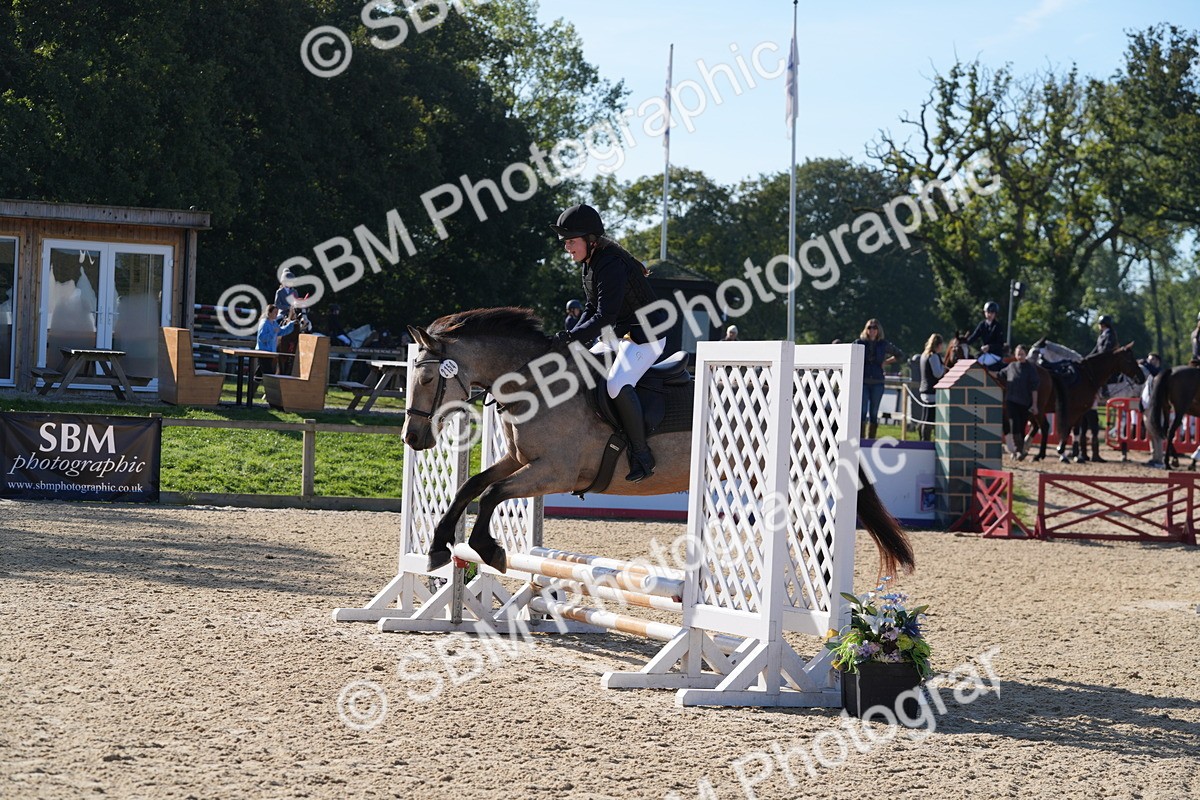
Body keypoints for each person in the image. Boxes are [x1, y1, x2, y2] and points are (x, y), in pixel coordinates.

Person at [551, 203, 668, 483]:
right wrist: (571, 339)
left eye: (571, 241)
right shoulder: (590, 264)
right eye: (565, 241)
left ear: (590, 240)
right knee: (583, 368)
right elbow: (592, 309)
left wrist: (573, 337)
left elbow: (605, 316)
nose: (567, 247)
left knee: (616, 384)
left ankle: (642, 455)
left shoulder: (610, 263)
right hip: (620, 334)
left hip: (647, 335)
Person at [854, 318, 903, 440]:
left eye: (875, 327)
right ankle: (860, 439)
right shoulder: (859, 343)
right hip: (863, 381)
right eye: (869, 327)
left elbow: (900, 355)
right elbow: (850, 354)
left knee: (874, 413)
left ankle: (871, 439)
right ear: (866, 329)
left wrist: (886, 362)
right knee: (862, 411)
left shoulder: (883, 344)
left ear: (878, 330)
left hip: (878, 382)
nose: (872, 330)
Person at [1000, 344, 1040, 461]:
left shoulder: (1030, 368)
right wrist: (985, 371)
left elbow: (1034, 388)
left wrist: (1035, 404)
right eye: (1018, 354)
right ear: (1015, 355)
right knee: (1014, 424)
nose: (1020, 356)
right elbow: (999, 374)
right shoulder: (1011, 366)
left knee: (1022, 426)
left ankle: (1020, 450)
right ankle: (1018, 450)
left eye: (1022, 354)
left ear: (1026, 354)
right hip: (1011, 401)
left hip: (1024, 402)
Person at [918, 333, 945, 442]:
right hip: (932, 392)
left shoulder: (924, 355)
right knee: (929, 419)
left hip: (924, 390)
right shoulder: (933, 356)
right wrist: (943, 367)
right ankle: (926, 441)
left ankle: (922, 440)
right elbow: (937, 374)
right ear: (938, 345)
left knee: (924, 418)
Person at [966, 300, 1007, 368]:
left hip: (995, 355)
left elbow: (1000, 344)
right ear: (985, 312)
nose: (989, 314)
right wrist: (964, 343)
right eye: (988, 312)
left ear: (995, 314)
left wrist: (989, 347)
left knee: (981, 364)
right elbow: (974, 336)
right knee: (973, 361)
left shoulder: (998, 326)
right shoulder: (982, 325)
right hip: (984, 353)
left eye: (992, 313)